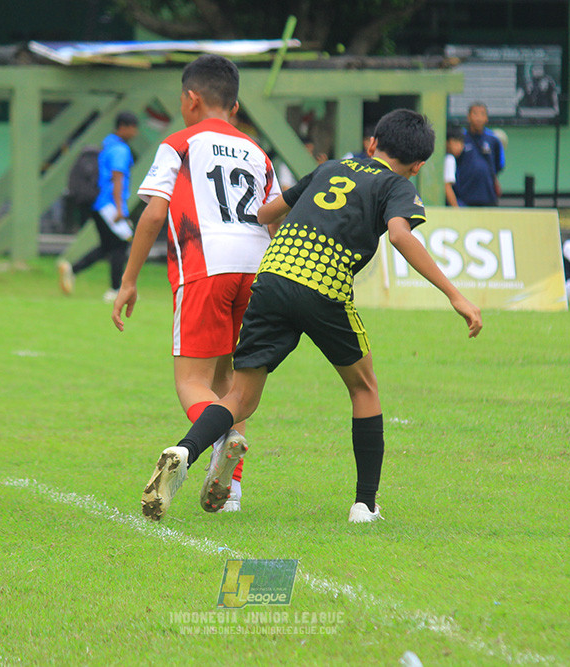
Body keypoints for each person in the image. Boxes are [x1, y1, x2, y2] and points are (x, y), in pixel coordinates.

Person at [137, 109, 483, 524]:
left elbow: (266, 212)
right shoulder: (397, 186)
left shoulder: (331, 168)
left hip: (272, 275)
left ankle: (185, 451)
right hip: (323, 284)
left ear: (373, 143)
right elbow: (399, 234)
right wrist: (455, 296)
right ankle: (365, 504)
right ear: (418, 166)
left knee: (240, 397)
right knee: (364, 387)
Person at [111, 54, 282, 512]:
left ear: (190, 99)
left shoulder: (179, 143)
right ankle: (231, 493)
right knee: (235, 384)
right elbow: (274, 218)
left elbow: (153, 211)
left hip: (206, 263)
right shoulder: (258, 152)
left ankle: (213, 443)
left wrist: (128, 281)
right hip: (257, 267)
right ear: (235, 104)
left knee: (191, 380)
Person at [58, 112, 139, 301]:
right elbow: (117, 179)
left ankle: (72, 269)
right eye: (133, 128)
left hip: (99, 203)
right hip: (109, 204)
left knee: (107, 246)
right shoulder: (120, 149)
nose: (135, 132)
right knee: (122, 243)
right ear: (124, 127)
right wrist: (120, 209)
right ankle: (115, 289)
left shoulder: (107, 145)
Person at [455, 102, 505, 207]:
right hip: (465, 197)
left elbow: (499, 164)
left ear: (486, 118)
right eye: (475, 114)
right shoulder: (461, 138)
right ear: (468, 117)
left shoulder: (493, 140)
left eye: (482, 114)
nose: (478, 118)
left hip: (488, 196)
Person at [444, 128, 465, 207]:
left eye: (461, 143)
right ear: (447, 143)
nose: (459, 147)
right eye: (455, 142)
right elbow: (447, 186)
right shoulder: (449, 159)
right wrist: (456, 209)